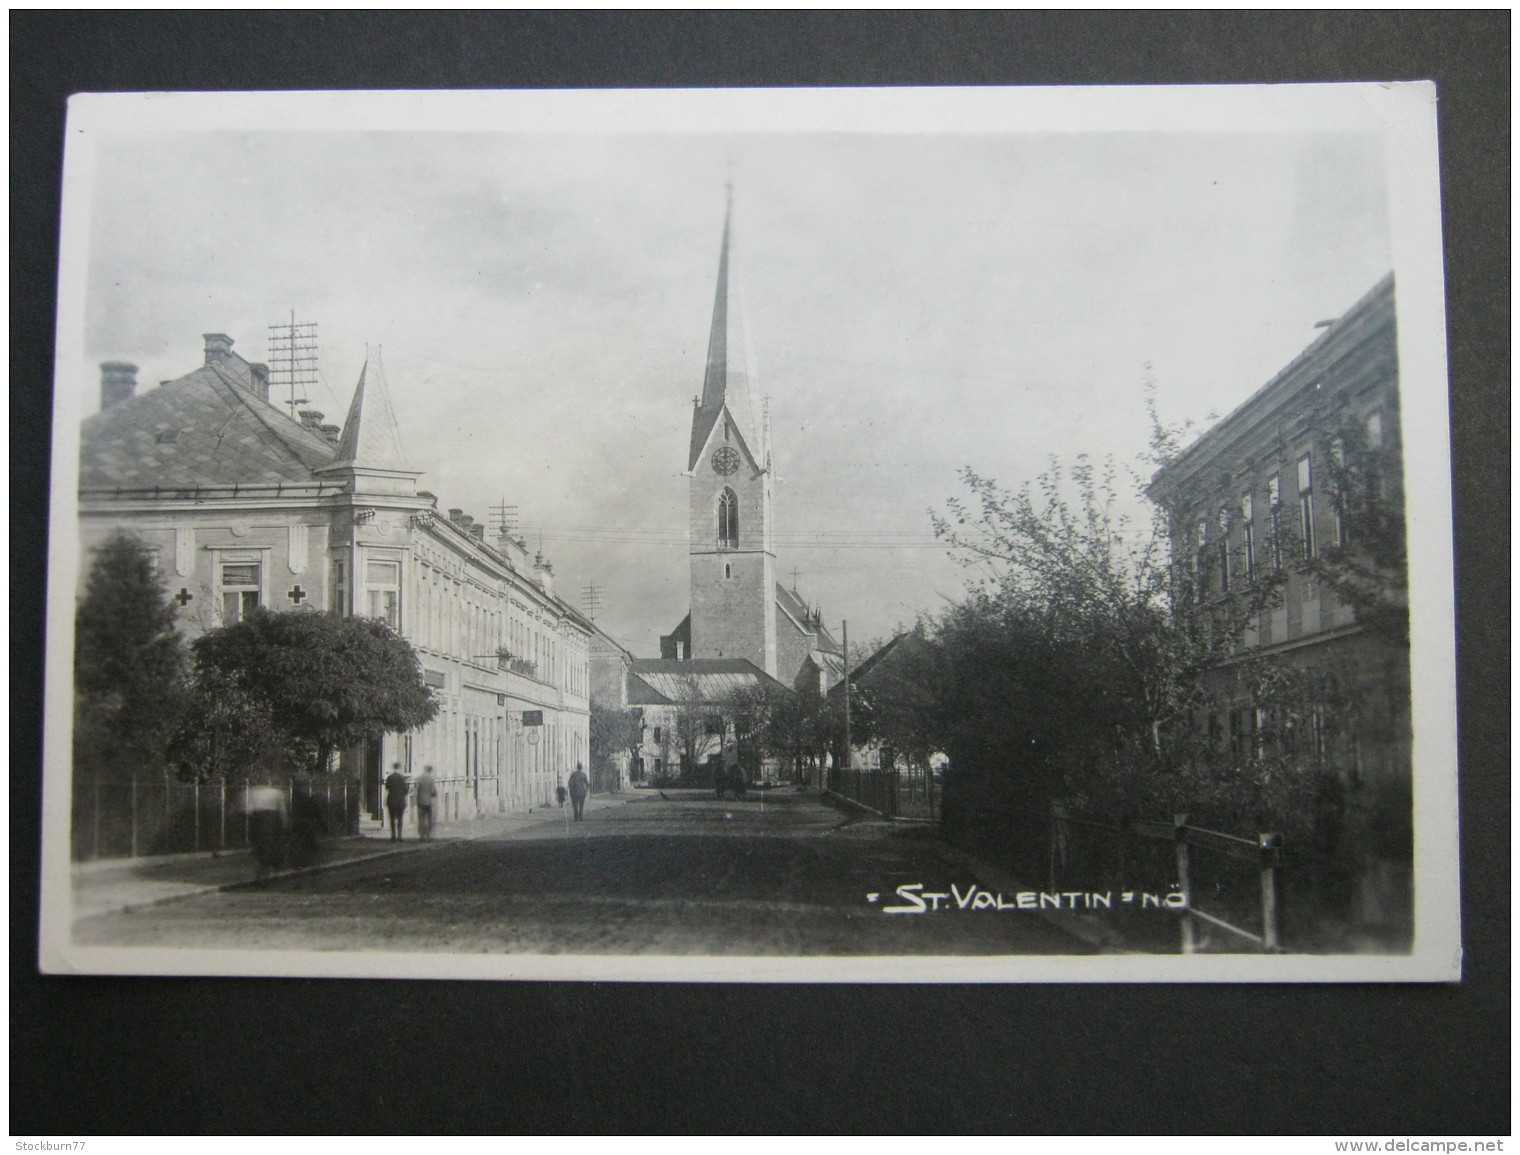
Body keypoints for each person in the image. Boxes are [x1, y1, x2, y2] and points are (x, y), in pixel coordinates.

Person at [246, 782, 289, 881]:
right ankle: (271, 873)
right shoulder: (276, 793)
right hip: (272, 821)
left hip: (257, 822)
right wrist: (285, 825)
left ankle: (260, 874)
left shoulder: (254, 793)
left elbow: (249, 811)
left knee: (260, 848)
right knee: (273, 847)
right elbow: (282, 811)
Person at [383, 763, 409, 841]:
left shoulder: (390, 777)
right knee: (400, 819)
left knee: (392, 819)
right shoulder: (402, 778)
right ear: (399, 768)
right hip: (400, 801)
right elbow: (405, 790)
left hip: (391, 800)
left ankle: (393, 836)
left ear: (393, 768)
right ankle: (400, 836)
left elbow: (387, 787)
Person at [415, 764, 438, 841]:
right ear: (430, 771)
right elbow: (434, 791)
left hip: (421, 801)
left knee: (421, 819)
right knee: (429, 819)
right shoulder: (431, 779)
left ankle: (421, 836)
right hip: (428, 802)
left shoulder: (420, 778)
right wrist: (433, 795)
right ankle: (428, 835)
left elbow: (417, 789)